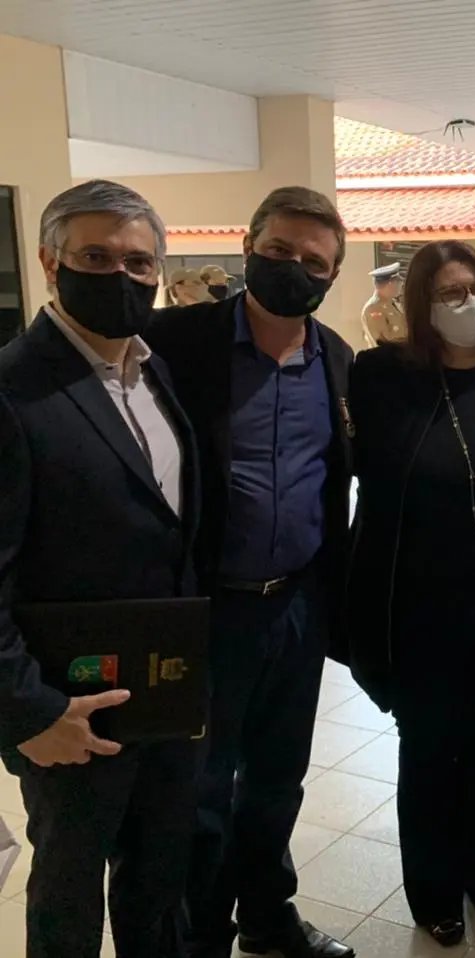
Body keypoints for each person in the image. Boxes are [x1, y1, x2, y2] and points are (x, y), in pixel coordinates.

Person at [145, 186, 355, 958]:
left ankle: (269, 916)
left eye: (313, 261)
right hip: (207, 608)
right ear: (248, 249)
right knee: (201, 787)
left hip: (297, 605)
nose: (294, 267)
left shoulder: (337, 361)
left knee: (277, 779)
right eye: (279, 251)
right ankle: (202, 936)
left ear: (332, 275)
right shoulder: (172, 342)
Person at [0, 180, 199, 957]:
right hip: (67, 709)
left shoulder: (155, 372)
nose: (121, 274)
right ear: (51, 263)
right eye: (96, 257)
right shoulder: (12, 389)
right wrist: (29, 715)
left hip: (162, 695)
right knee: (69, 896)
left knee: (158, 879)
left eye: (138, 262)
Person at [344, 240, 475, 947]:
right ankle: (434, 891)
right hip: (415, 607)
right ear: (421, 307)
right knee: (429, 747)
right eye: (449, 294)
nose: (468, 304)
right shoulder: (380, 378)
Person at [360, 262, 406, 348]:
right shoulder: (373, 308)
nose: (400, 286)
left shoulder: (391, 303)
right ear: (390, 284)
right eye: (398, 282)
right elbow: (381, 343)